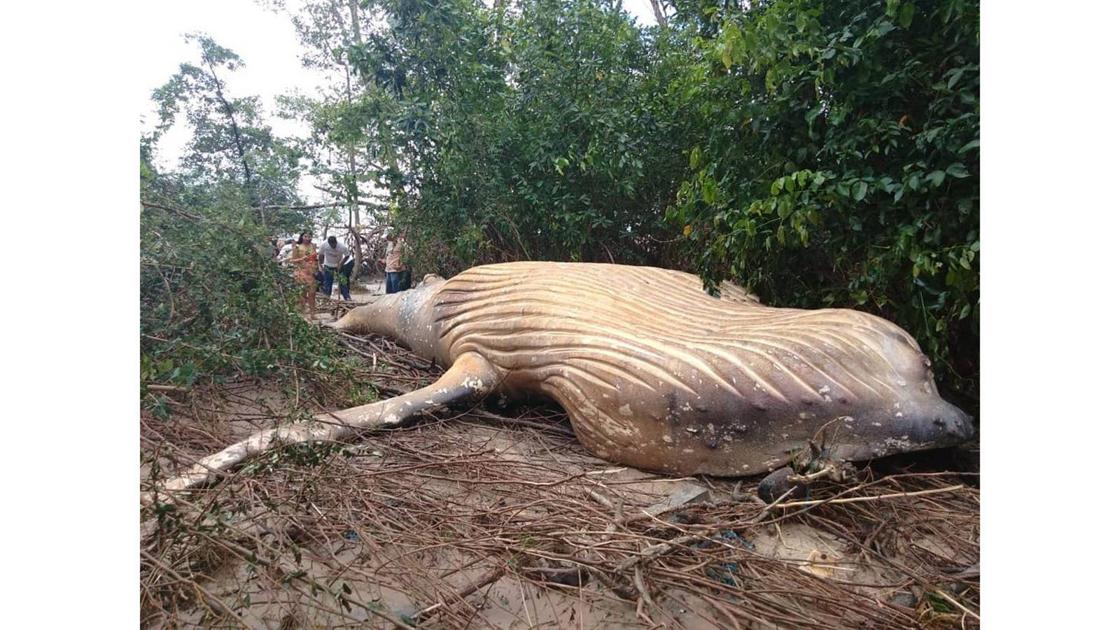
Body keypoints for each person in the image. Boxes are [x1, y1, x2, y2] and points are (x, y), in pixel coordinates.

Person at [290, 232, 318, 317]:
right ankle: (302, 314)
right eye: (305, 236)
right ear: (302, 237)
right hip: (301, 272)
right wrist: (302, 259)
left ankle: (312, 313)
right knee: (302, 294)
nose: (307, 238)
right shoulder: (297, 247)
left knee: (312, 294)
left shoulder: (313, 246)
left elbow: (316, 259)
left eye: (309, 236)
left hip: (311, 273)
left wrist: (317, 268)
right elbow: (292, 260)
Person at [318, 235, 350, 299]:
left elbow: (347, 255)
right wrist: (321, 265)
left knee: (342, 281)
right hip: (328, 265)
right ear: (329, 243)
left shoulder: (342, 247)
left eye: (334, 245)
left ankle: (347, 297)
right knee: (328, 282)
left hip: (339, 265)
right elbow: (320, 255)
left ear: (336, 242)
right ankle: (327, 297)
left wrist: (341, 264)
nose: (333, 246)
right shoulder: (324, 245)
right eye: (331, 245)